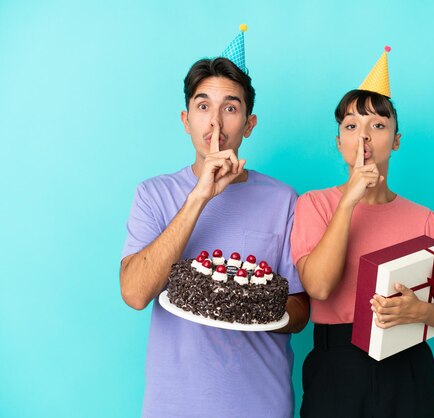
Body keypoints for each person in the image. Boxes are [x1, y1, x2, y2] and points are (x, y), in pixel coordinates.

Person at [120, 27, 309, 418]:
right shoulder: (153, 194)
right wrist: (200, 197)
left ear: (250, 123)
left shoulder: (284, 199)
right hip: (174, 405)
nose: (216, 123)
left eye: (231, 107)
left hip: (262, 404)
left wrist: (241, 306)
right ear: (186, 118)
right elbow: (136, 294)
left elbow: (301, 312)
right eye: (204, 107)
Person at [290, 48, 434, 417]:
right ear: (339, 141)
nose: (364, 138)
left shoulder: (425, 219)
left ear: (396, 140)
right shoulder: (315, 205)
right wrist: (349, 202)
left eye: (377, 125)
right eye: (351, 126)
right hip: (336, 368)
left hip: (407, 366)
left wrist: (419, 310)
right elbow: (320, 288)